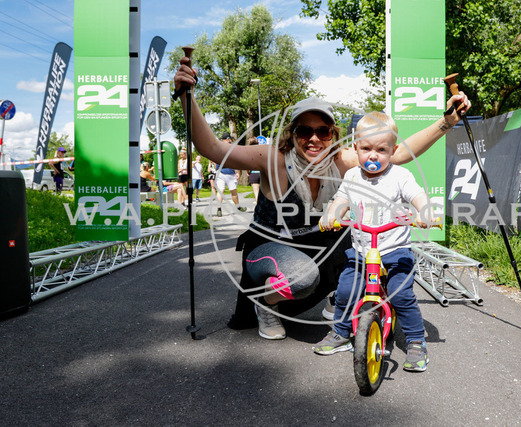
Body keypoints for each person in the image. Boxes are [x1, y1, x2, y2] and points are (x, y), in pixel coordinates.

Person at [174, 59, 469, 340]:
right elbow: (213, 149)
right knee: (302, 277)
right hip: (269, 248)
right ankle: (267, 306)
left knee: (362, 240)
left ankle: (337, 296)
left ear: (332, 134)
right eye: (305, 131)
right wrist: (188, 97)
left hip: (313, 245)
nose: (314, 139)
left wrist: (448, 121)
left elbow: (399, 153)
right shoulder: (272, 158)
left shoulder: (341, 160)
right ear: (292, 133)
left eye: (323, 131)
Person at [314, 112, 433, 372]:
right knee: (345, 291)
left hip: (395, 250)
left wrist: (424, 211)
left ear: (393, 150)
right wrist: (332, 215)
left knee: (402, 295)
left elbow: (417, 195)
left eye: (381, 150)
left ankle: (416, 341)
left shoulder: (400, 176)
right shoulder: (352, 176)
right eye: (366, 148)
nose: (373, 156)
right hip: (361, 250)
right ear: (355, 148)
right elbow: (341, 200)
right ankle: (341, 332)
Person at [213, 132, 248, 216]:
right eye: (230, 139)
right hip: (230, 172)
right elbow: (234, 161)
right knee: (234, 192)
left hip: (220, 172)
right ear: (228, 139)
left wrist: (217, 169)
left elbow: (213, 160)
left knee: (220, 192)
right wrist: (237, 172)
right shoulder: (231, 148)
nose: (231, 141)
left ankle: (219, 210)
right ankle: (238, 207)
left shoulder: (217, 148)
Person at [246, 136, 261, 202]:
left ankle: (259, 206)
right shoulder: (261, 151)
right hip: (262, 173)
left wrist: (248, 171)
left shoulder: (248, 152)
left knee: (256, 192)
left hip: (253, 173)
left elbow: (247, 164)